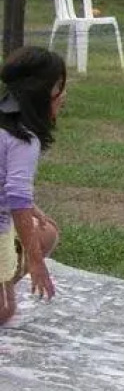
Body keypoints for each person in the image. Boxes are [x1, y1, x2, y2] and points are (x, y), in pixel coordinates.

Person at [0, 48, 66, 324]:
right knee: (4, 312)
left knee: (45, 230)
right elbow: (17, 198)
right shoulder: (23, 140)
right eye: (58, 87)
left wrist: (34, 210)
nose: (63, 96)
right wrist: (36, 261)